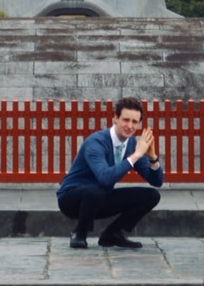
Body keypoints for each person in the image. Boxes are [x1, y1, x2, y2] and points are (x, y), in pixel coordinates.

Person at [57, 96, 163, 249]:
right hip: (71, 199)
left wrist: (153, 158)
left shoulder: (132, 144)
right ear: (115, 118)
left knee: (152, 196)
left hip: (100, 197)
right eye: (125, 120)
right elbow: (105, 178)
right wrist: (136, 155)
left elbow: (157, 181)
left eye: (134, 122)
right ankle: (79, 233)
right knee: (97, 190)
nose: (129, 126)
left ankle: (112, 234)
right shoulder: (96, 142)